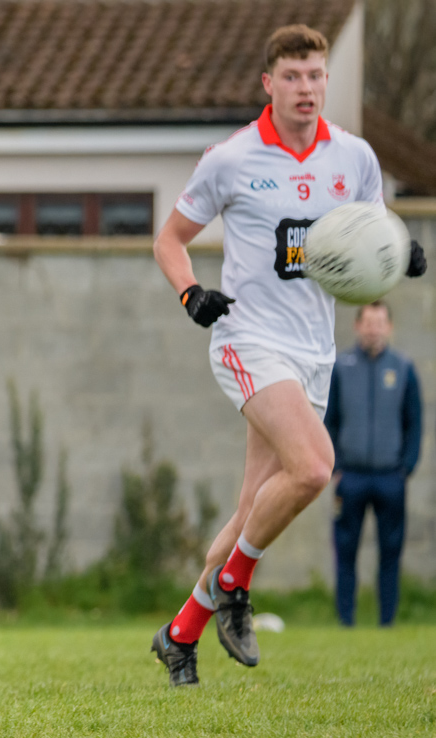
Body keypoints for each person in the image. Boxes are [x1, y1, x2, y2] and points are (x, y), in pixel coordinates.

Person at [149, 24, 427, 686]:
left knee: (255, 507)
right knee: (314, 467)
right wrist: (190, 292)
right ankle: (237, 588)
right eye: (293, 77)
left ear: (327, 81)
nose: (306, 88)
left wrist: (400, 252)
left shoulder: (354, 158)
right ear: (268, 84)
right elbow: (169, 239)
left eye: (316, 76)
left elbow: (368, 240)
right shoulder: (232, 158)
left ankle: (180, 633)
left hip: (314, 351)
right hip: (249, 341)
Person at [325, 301, 422, 627]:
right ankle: (345, 620)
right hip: (349, 477)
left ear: (389, 327)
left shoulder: (404, 368)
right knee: (345, 551)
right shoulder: (341, 368)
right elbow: (330, 421)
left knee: (390, 553)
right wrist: (335, 465)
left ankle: (387, 621)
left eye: (379, 322)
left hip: (389, 479)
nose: (373, 329)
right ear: (358, 326)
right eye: (368, 322)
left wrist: (405, 468)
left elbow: (414, 423)